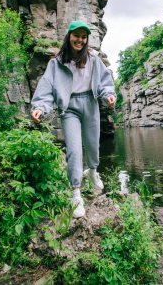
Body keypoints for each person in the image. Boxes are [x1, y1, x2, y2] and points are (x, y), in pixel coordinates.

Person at [31, 21, 116, 218]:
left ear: (86, 40)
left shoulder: (94, 59)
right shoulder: (56, 63)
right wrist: (40, 108)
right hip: (69, 107)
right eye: (76, 35)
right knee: (74, 150)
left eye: (83, 37)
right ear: (69, 37)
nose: (80, 40)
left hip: (90, 103)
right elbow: (46, 88)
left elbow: (105, 82)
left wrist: (108, 95)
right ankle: (76, 194)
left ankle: (93, 171)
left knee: (93, 145)